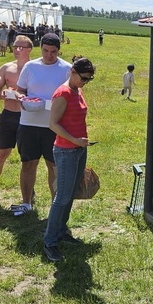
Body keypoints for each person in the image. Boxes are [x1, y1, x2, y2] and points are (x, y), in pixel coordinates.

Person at [42, 57, 95, 262]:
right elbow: (52, 124)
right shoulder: (62, 93)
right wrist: (74, 139)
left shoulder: (77, 90)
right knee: (62, 197)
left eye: (88, 79)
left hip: (79, 150)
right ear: (72, 71)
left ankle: (61, 231)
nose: (85, 82)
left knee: (71, 193)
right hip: (66, 151)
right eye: (83, 78)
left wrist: (80, 141)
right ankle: (50, 241)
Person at [13, 33, 71, 214]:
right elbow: (20, 90)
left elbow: (73, 95)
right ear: (41, 49)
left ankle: (56, 207)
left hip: (54, 125)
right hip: (29, 123)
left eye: (53, 52)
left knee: (53, 165)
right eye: (46, 51)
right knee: (28, 164)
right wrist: (21, 98)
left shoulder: (66, 69)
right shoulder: (30, 67)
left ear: (58, 51)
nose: (49, 55)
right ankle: (26, 203)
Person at [0, 35, 34, 203]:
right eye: (15, 47)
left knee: (28, 157)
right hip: (8, 115)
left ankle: (29, 191)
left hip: (26, 117)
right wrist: (4, 94)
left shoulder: (34, 68)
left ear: (29, 50)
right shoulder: (6, 68)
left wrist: (22, 96)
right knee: (2, 153)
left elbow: (39, 94)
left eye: (21, 47)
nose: (16, 50)